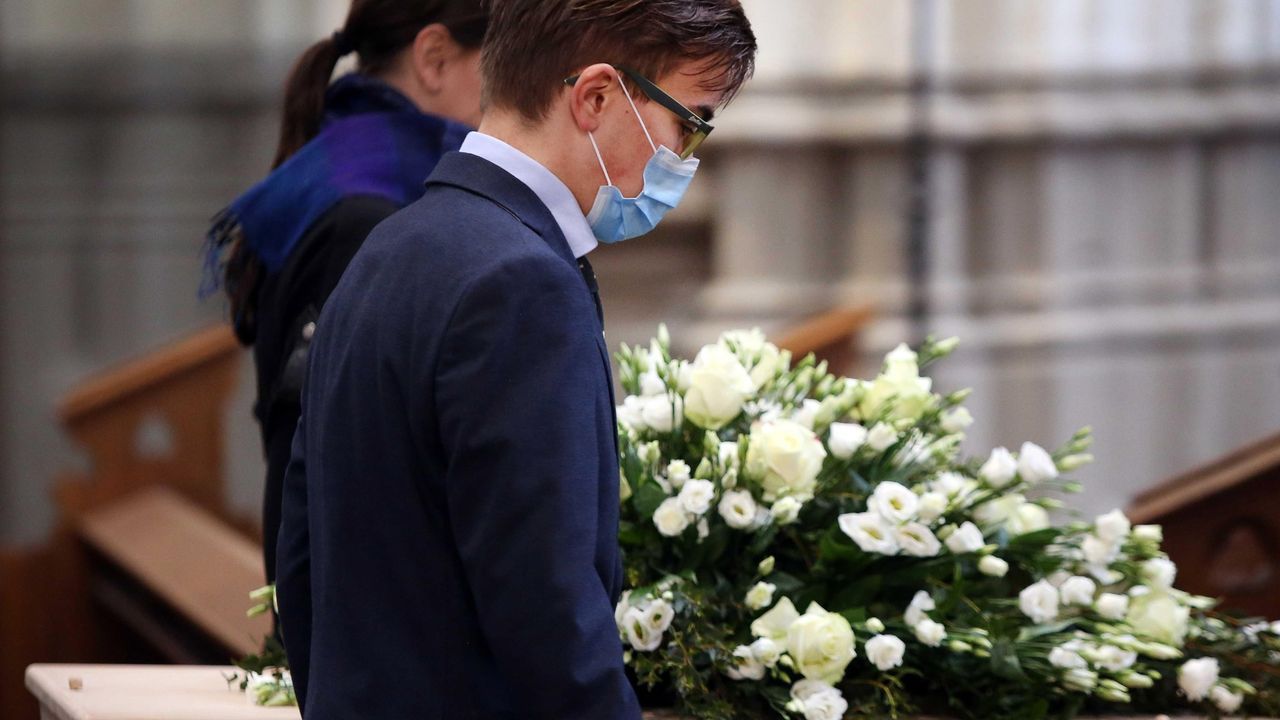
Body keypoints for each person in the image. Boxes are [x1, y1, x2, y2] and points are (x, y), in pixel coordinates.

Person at [275, 1, 756, 717]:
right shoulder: (520, 281)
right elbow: (546, 605)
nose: (685, 156)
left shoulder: (392, 245)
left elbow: (303, 550)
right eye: (687, 121)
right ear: (596, 96)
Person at [202, 0, 487, 595]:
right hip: (356, 620)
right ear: (433, 58)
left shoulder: (354, 170)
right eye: (504, 59)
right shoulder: (370, 210)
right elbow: (322, 450)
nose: (519, 88)